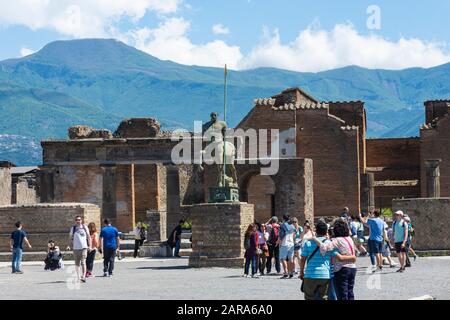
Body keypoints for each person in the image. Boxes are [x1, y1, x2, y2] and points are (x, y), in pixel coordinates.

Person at [311, 219, 358, 300]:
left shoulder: (336, 240)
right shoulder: (349, 239)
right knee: (350, 293)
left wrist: (314, 238)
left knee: (342, 294)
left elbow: (324, 248)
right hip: (352, 268)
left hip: (341, 269)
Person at [68, 216, 91, 282]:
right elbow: (70, 238)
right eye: (76, 220)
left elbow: (89, 237)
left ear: (81, 220)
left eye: (79, 220)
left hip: (84, 247)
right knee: (77, 263)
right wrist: (69, 245)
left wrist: (90, 246)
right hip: (76, 248)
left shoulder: (84, 227)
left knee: (83, 261)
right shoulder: (73, 228)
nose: (78, 221)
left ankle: (83, 276)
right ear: (75, 221)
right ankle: (78, 277)